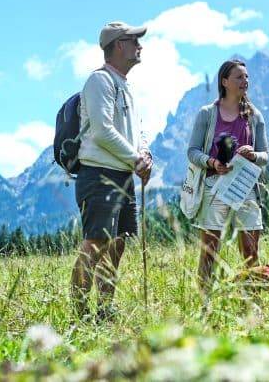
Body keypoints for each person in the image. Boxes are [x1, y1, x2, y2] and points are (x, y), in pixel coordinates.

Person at [70, 21, 153, 321]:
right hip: (99, 174)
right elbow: (102, 131)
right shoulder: (99, 81)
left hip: (122, 174)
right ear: (118, 45)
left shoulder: (126, 86)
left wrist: (144, 153)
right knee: (96, 242)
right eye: (134, 40)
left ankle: (104, 311)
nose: (139, 45)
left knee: (117, 245)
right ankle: (80, 316)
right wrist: (135, 159)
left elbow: (137, 131)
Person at [187, 59, 269, 292]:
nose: (245, 81)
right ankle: (204, 301)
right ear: (224, 82)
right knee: (210, 250)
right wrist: (212, 162)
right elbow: (192, 151)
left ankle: (251, 302)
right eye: (239, 77)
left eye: (247, 77)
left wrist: (253, 154)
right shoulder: (207, 114)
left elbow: (265, 155)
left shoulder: (255, 116)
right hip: (214, 185)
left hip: (246, 186)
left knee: (251, 251)